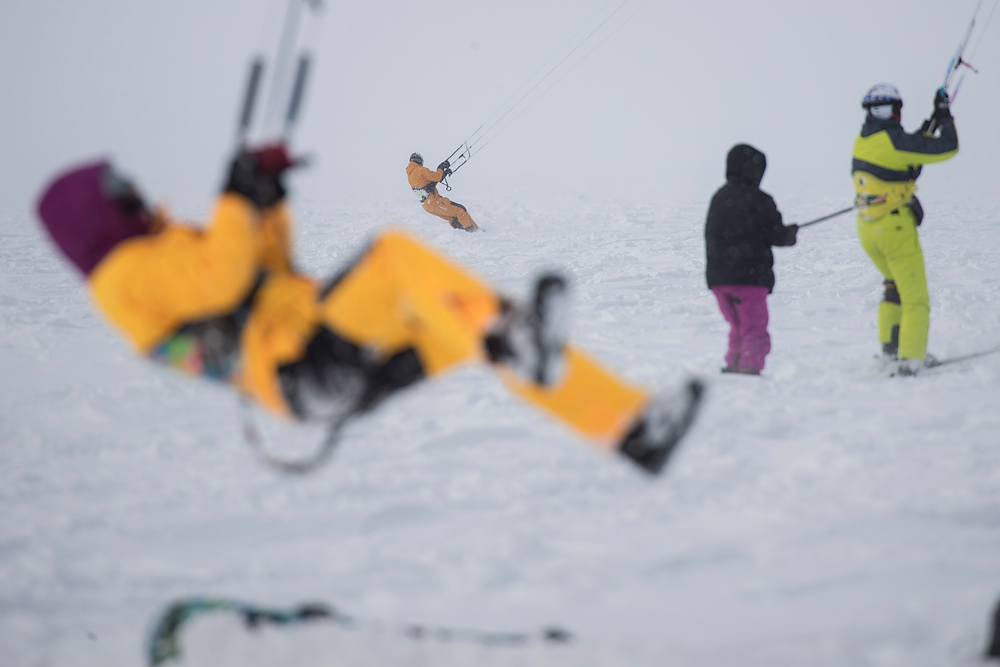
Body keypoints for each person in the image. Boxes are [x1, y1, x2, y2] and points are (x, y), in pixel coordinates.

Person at [36, 145, 703, 475]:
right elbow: (223, 276)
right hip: (301, 368)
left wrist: (267, 199)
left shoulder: (156, 256)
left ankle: (628, 427)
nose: (133, 189)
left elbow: (265, 275)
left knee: (467, 323)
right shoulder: (122, 275)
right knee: (394, 259)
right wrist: (236, 198)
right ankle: (516, 340)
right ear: (91, 213)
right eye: (117, 187)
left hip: (316, 364)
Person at [852, 83, 959, 375]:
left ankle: (891, 351)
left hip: (868, 230)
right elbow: (947, 147)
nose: (884, 113)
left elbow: (910, 157)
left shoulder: (864, 139)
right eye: (879, 109)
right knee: (915, 299)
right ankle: (911, 360)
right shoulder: (894, 140)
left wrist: (932, 121)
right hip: (894, 229)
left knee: (894, 288)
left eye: (885, 108)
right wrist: (946, 118)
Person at [705, 144, 798, 376]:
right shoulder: (760, 199)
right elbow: (777, 235)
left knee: (738, 327)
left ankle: (734, 364)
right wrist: (789, 234)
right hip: (749, 280)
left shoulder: (719, 197)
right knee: (754, 328)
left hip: (719, 280)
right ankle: (749, 369)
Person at [406, 152, 478, 232]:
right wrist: (441, 168)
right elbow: (437, 177)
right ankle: (472, 230)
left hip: (427, 206)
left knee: (452, 217)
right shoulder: (421, 170)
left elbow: (429, 186)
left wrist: (444, 173)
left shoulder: (410, 175)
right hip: (434, 201)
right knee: (460, 210)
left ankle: (463, 232)